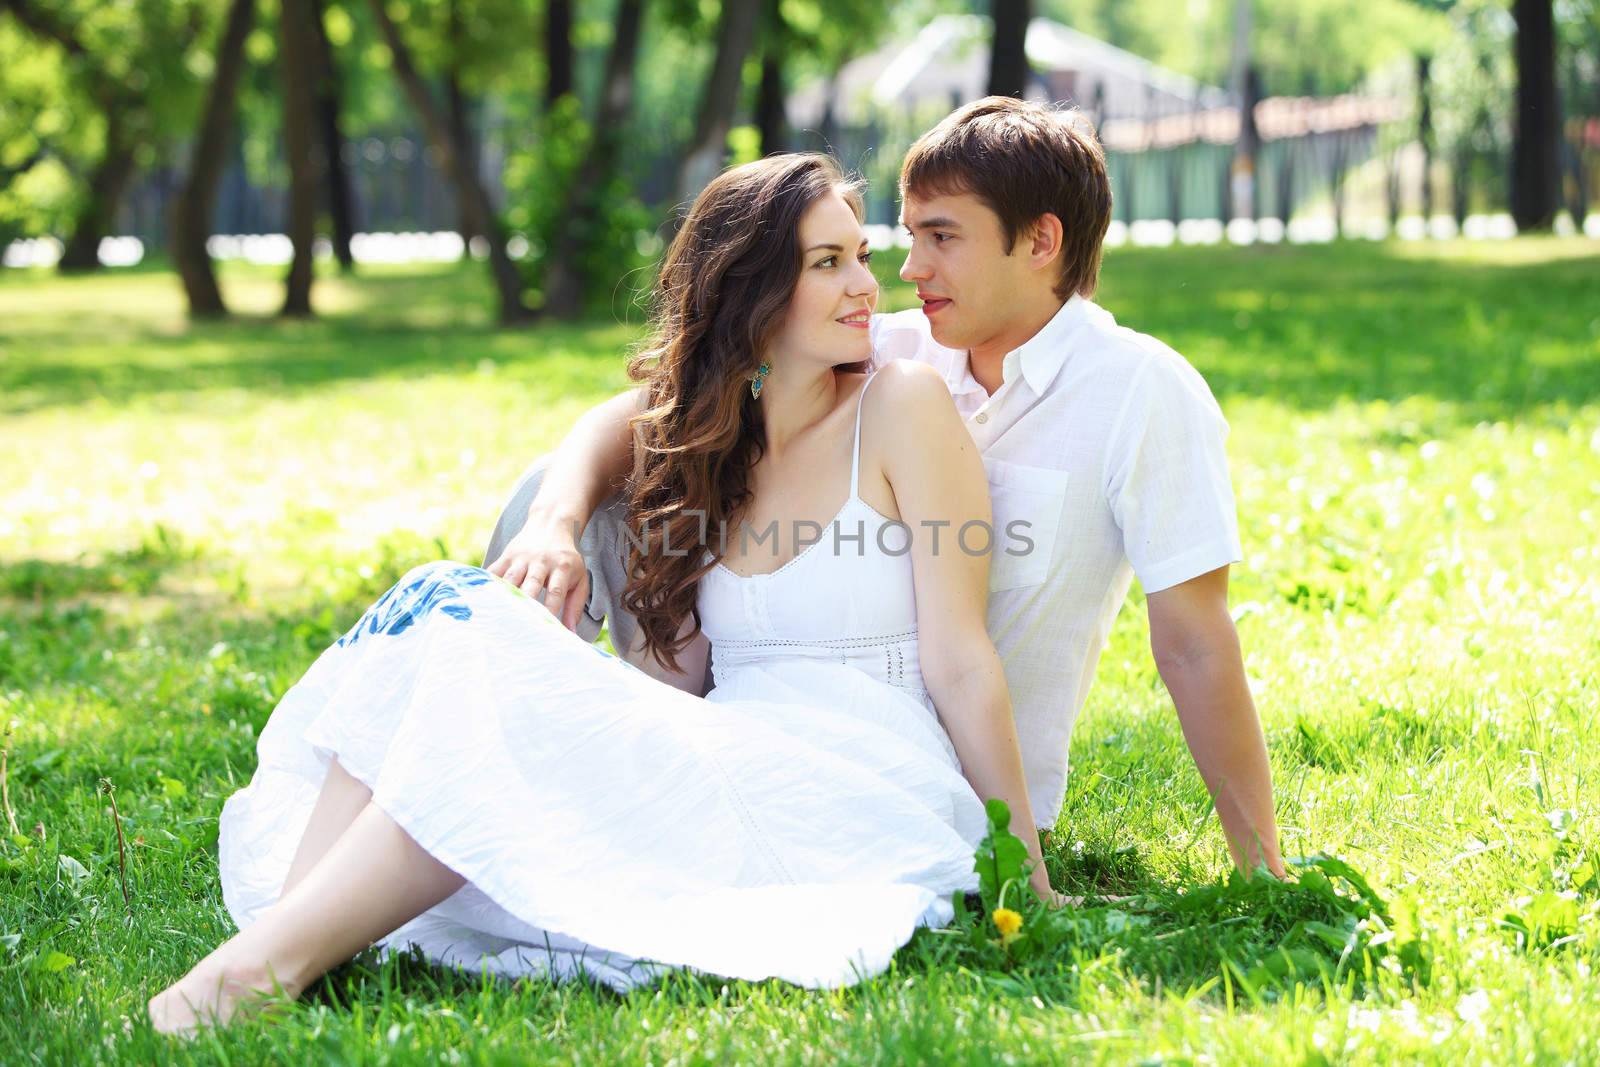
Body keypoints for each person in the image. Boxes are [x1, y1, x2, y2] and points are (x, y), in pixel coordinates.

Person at [148, 153, 1055, 1036]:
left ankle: (263, 965)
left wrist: (1028, 873)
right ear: (750, 291)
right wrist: (553, 521)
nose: (867, 282)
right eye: (829, 262)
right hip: (726, 753)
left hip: (850, 783)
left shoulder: (900, 406)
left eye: (859, 254)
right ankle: (289, 947)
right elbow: (611, 426)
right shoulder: (720, 439)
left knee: (492, 687)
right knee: (443, 603)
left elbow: (960, 658)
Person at [489, 97, 1285, 877]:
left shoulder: (1141, 392)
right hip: (765, 714)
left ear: (1041, 240)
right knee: (566, 487)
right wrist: (554, 521)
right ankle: (517, 737)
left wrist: (1265, 870)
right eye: (905, 239)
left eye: (943, 237)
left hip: (945, 770)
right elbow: (652, 411)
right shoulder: (890, 346)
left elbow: (1192, 641)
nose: (909, 270)